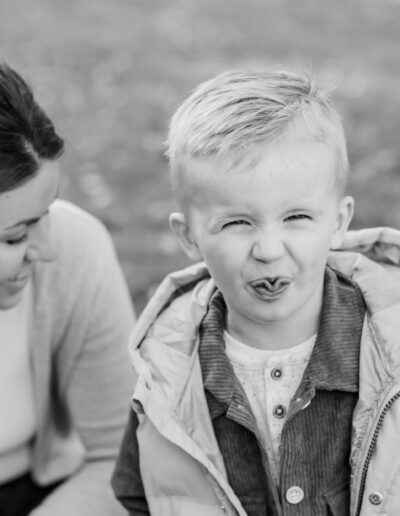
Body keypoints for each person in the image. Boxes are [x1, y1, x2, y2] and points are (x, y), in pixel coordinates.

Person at [112, 70, 400, 515]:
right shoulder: (167, 373)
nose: (268, 249)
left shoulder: (390, 351)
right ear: (188, 236)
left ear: (339, 221)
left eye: (297, 217)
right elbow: (140, 495)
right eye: (237, 222)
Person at [0, 63, 135, 515]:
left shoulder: (77, 253)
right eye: (15, 237)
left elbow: (120, 460)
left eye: (47, 213)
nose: (47, 249)